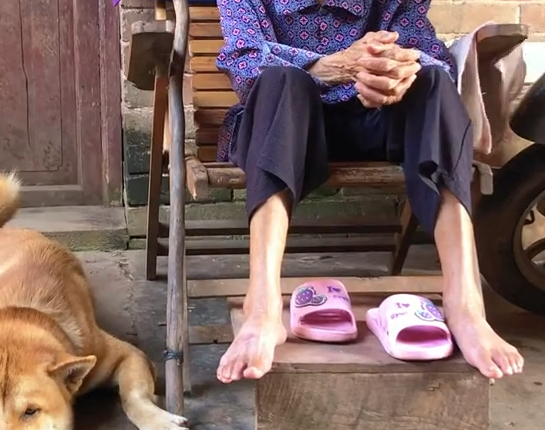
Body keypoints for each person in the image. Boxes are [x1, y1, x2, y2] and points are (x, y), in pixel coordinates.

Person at [213, 0, 524, 383]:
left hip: (372, 120)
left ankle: (465, 305)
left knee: (434, 84)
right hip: (283, 126)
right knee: (279, 80)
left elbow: (428, 53)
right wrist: (334, 66)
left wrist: (395, 71)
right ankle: (261, 307)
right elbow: (243, 60)